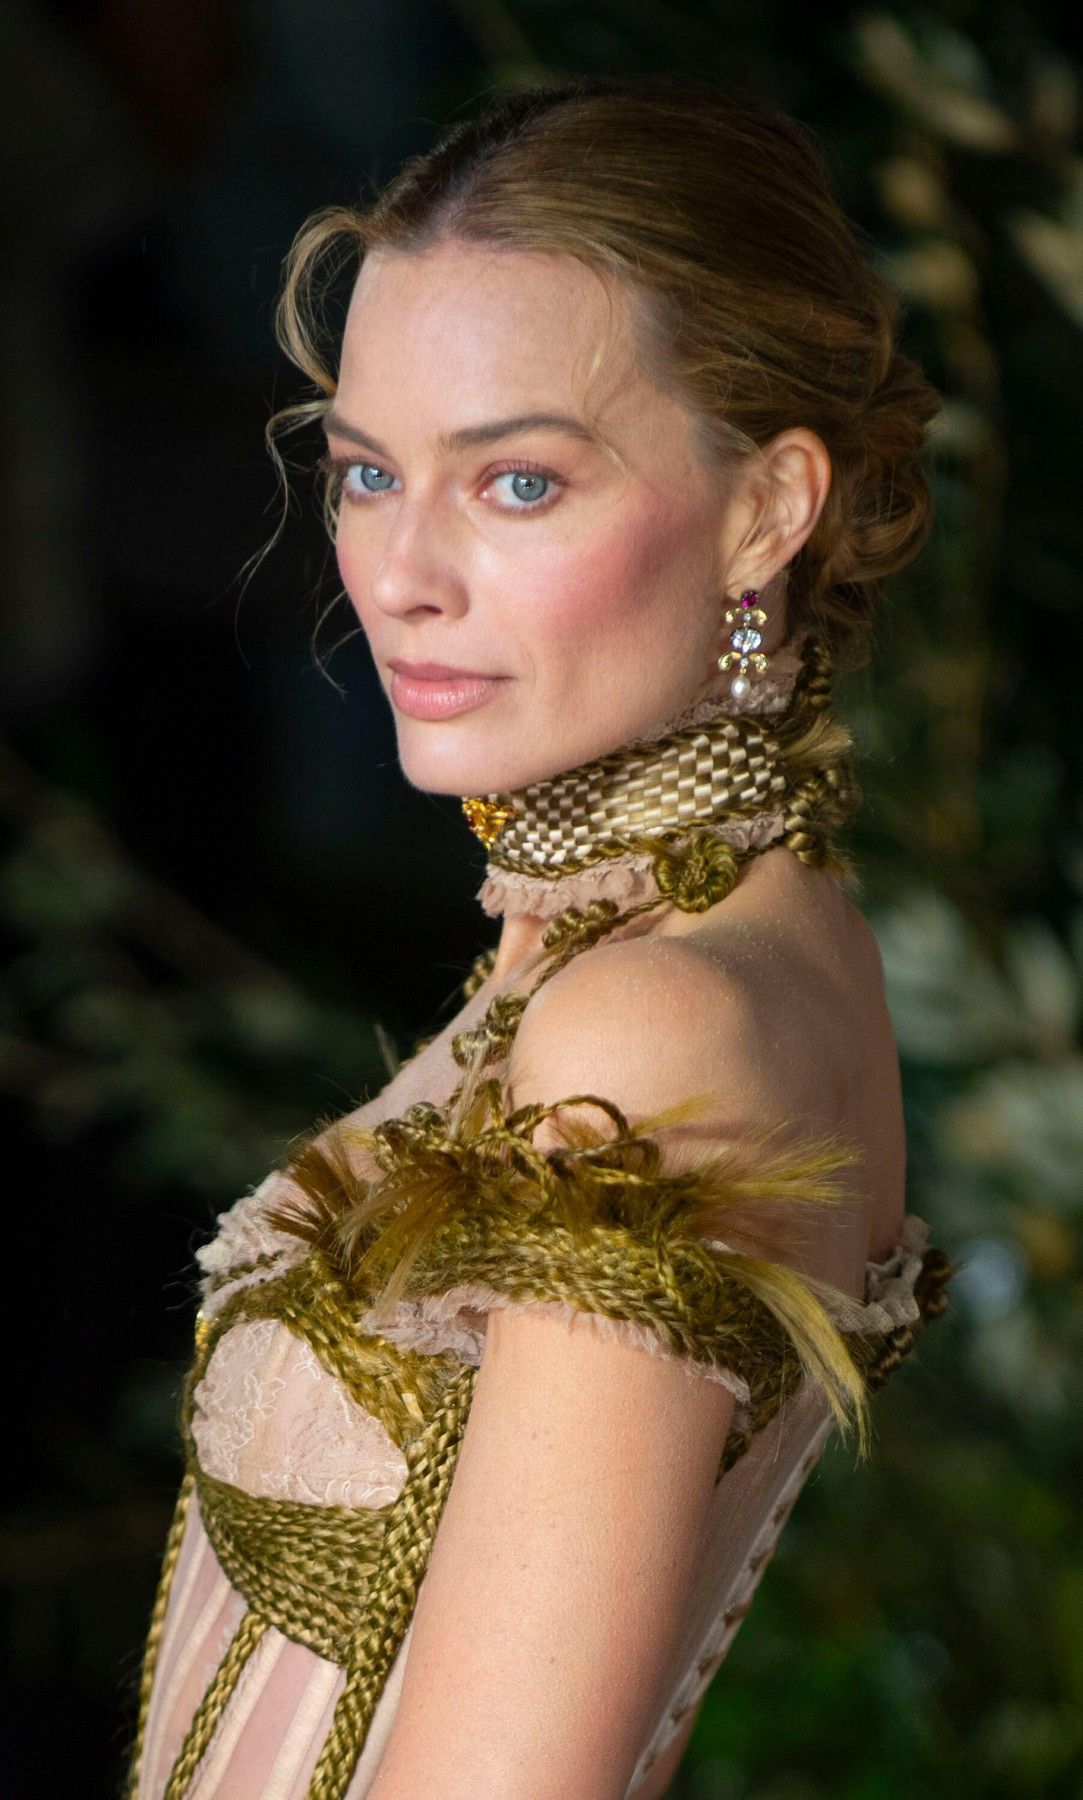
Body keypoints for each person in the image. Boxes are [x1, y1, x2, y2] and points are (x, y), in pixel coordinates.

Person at [126, 73, 956, 1800]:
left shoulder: (653, 1020)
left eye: (516, 483)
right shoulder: (692, 938)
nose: (398, 575)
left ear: (766, 510)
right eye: (369, 473)